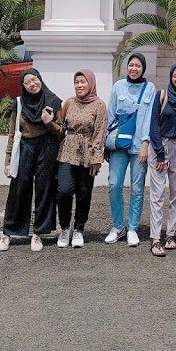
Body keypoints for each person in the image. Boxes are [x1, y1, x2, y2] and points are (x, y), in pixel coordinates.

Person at [0, 68, 62, 252]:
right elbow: (12, 134)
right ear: (23, 86)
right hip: (25, 147)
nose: (33, 84)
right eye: (28, 82)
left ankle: (38, 234)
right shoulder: (18, 104)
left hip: (47, 147)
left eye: (35, 80)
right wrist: (8, 160)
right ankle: (8, 232)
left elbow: (61, 130)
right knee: (18, 188)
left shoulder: (52, 101)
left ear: (40, 79)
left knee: (44, 189)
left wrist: (48, 121)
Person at [105, 53, 157, 247]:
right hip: (118, 144)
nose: (134, 68)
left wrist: (146, 143)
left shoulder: (149, 88)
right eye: (131, 65)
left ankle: (133, 228)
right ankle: (118, 226)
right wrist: (107, 142)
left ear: (143, 68)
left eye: (137, 65)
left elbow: (150, 117)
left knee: (137, 188)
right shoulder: (118, 86)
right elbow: (110, 115)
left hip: (139, 147)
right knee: (114, 185)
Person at [54, 70, 107, 248]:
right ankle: (65, 228)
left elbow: (100, 132)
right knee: (64, 190)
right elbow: (60, 128)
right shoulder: (68, 103)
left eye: (83, 82)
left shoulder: (99, 105)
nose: (79, 85)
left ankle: (79, 229)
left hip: (88, 153)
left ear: (90, 83)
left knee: (84, 193)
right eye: (77, 82)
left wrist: (97, 157)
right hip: (68, 150)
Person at [148, 61, 176, 257]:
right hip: (160, 145)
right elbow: (153, 125)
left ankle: (171, 234)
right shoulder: (161, 95)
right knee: (157, 194)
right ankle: (156, 238)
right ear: (171, 77)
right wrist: (159, 152)